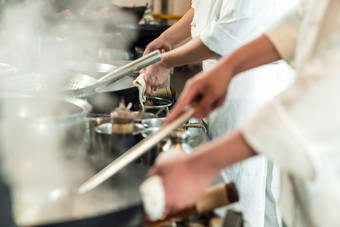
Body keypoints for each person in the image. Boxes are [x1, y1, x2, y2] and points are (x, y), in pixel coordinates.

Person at [143, 0, 340, 226]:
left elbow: (323, 98)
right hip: (303, 171)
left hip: (324, 172)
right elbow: (298, 24)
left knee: (246, 196)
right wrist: (228, 68)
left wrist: (201, 163)